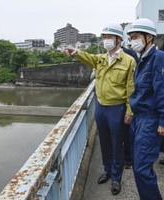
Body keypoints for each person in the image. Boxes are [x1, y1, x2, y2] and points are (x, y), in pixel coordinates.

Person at [65, 23, 136, 195]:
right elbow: (89, 58)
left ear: (119, 39)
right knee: (104, 141)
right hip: (101, 106)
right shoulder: (102, 58)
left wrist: (129, 111)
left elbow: (131, 89)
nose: (106, 41)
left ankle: (117, 178)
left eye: (109, 37)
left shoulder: (129, 61)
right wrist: (77, 53)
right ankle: (107, 170)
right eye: (104, 37)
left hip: (117, 108)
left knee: (117, 143)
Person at [127, 18, 164, 200]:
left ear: (149, 37)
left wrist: (162, 121)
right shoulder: (142, 59)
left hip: (150, 119)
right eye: (131, 37)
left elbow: (162, 91)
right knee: (138, 165)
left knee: (142, 167)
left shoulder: (158, 58)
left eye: (136, 36)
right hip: (138, 118)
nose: (133, 41)